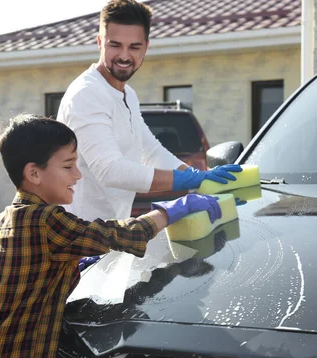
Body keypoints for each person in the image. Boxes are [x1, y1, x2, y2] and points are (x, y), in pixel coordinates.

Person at [0, 114, 222, 358]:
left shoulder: (9, 217)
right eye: (68, 166)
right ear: (34, 174)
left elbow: (25, 271)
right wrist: (171, 210)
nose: (77, 175)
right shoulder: (45, 220)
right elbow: (116, 234)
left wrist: (72, 263)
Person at [57, 0, 242, 222]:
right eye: (115, 45)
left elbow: (151, 151)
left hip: (110, 232)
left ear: (146, 47)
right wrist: (188, 181)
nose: (124, 56)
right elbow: (110, 171)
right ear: (99, 43)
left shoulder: (128, 95)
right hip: (78, 238)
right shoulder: (87, 94)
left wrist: (199, 177)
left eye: (134, 47)